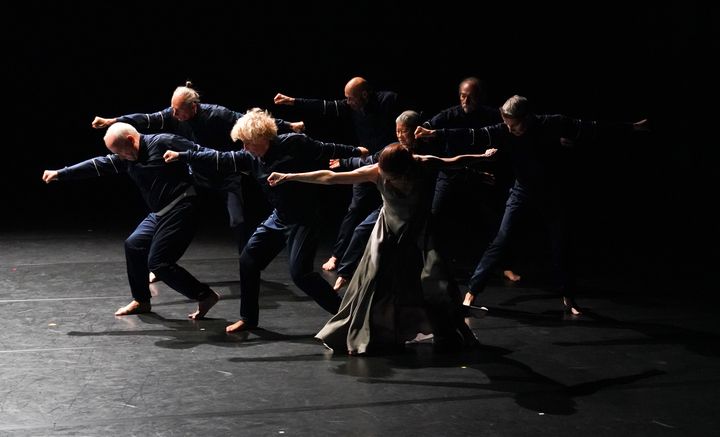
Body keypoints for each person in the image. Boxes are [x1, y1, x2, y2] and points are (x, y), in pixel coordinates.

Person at [415, 95, 649, 315]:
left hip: (551, 193)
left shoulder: (552, 124)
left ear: (526, 118)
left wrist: (631, 128)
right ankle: (472, 293)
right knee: (502, 238)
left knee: (560, 242)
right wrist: (435, 133)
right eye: (506, 123)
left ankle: (568, 296)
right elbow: (472, 134)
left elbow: (592, 127)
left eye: (513, 124)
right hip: (522, 190)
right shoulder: (504, 131)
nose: (509, 128)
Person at [266, 143, 497, 355]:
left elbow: (453, 161)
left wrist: (481, 157)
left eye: (392, 176)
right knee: (375, 280)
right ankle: (372, 334)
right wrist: (289, 176)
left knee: (436, 280)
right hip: (388, 230)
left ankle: (450, 331)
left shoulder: (423, 164)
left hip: (419, 230)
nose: (387, 179)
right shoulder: (376, 171)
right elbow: (330, 177)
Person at [163, 108, 368, 333]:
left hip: (304, 218)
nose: (244, 148)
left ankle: (348, 315)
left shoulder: (294, 143)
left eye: (247, 142)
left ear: (261, 138)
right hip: (279, 217)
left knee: (301, 274)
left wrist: (356, 151)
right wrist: (183, 155)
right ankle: (248, 318)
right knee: (248, 260)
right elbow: (218, 157)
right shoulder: (250, 157)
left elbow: (324, 149)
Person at [92, 81, 305, 260]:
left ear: (193, 106)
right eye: (172, 109)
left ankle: (246, 262)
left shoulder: (217, 114)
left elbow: (251, 121)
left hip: (225, 175)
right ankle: (162, 261)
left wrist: (288, 125)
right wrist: (114, 121)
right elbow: (148, 118)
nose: (174, 114)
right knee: (176, 217)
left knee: (237, 221)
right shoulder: (173, 114)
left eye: (178, 110)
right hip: (197, 176)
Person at [42, 123, 220, 318]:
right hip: (160, 212)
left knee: (159, 263)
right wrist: (61, 173)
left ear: (130, 140)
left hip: (183, 206)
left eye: (121, 152)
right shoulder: (126, 157)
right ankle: (142, 301)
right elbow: (97, 165)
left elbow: (203, 154)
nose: (121, 157)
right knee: (134, 245)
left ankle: (204, 295)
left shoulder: (163, 142)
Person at [330, 109, 493, 291]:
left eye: (404, 131)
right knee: (362, 230)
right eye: (397, 131)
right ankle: (345, 274)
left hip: (417, 209)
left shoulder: (427, 151)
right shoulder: (393, 151)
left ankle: (451, 295)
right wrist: (345, 162)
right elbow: (370, 161)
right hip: (393, 208)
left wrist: (477, 172)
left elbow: (451, 163)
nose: (400, 135)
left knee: (432, 252)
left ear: (416, 130)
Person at [274, 77, 399, 272]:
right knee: (355, 210)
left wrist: (346, 162)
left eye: (350, 98)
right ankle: (336, 255)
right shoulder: (353, 105)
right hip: (367, 164)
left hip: (391, 164)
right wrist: (293, 101)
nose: (347, 102)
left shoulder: (389, 101)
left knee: (394, 212)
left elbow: (400, 133)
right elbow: (326, 107)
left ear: (364, 95)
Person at [423, 77, 520, 282]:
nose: (465, 101)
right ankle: (428, 263)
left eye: (471, 97)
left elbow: (508, 127)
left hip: (480, 174)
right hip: (451, 173)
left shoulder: (490, 115)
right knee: (433, 216)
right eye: (462, 96)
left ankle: (502, 264)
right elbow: (427, 126)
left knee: (496, 219)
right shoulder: (449, 114)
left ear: (480, 98)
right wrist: (422, 129)